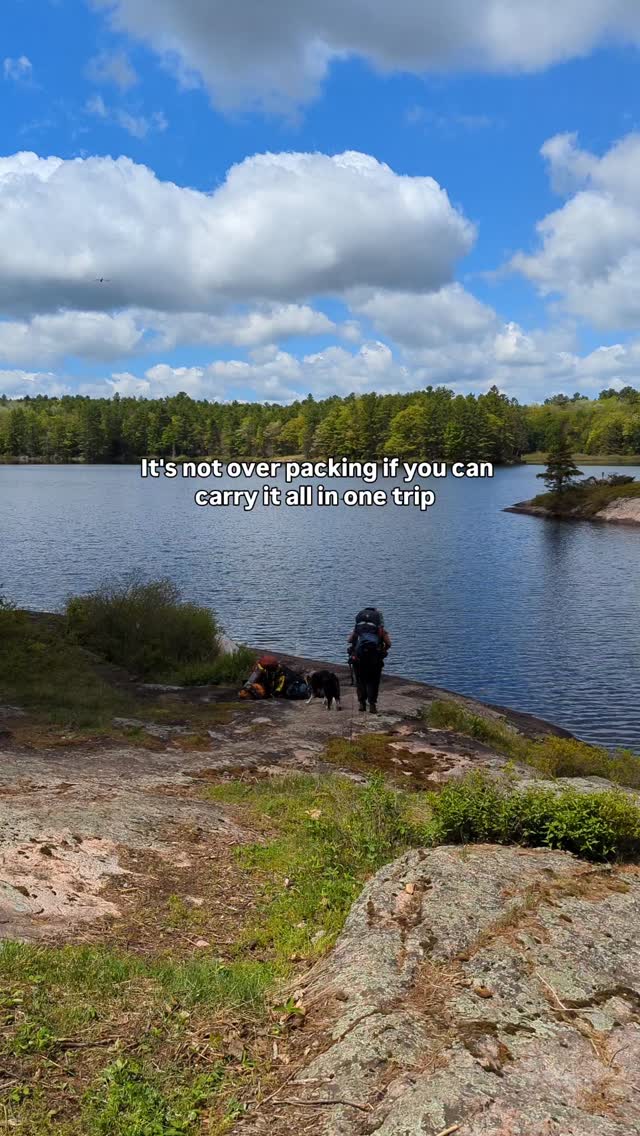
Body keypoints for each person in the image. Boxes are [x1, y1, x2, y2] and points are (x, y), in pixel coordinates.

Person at [347, 607, 391, 714]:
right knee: (373, 682)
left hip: (359, 660)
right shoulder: (380, 630)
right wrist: (382, 650)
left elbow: (349, 640)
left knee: (360, 681)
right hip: (374, 661)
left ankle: (362, 703)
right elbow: (389, 644)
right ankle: (372, 705)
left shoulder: (358, 628)